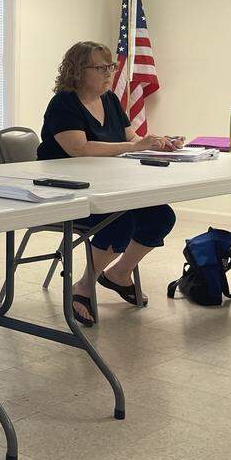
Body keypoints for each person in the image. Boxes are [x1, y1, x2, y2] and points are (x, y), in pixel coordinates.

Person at [37, 41, 183, 326]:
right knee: (120, 221)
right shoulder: (64, 103)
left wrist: (157, 143)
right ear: (78, 71)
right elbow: (78, 148)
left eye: (110, 67)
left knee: (161, 216)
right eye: (100, 67)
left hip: (108, 184)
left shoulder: (110, 100)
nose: (108, 73)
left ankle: (118, 274)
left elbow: (129, 139)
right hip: (67, 191)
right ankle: (83, 285)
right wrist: (135, 145)